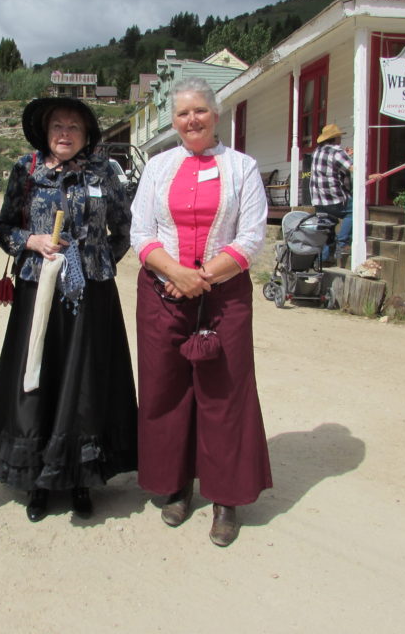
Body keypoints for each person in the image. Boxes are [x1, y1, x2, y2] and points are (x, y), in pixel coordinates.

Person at [0, 97, 137, 522]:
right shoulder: (26, 171)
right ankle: (36, 479)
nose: (65, 133)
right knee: (36, 377)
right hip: (36, 289)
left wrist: (93, 259)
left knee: (83, 382)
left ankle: (80, 476)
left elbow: (124, 227)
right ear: (45, 132)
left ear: (87, 134)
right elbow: (4, 228)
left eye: (74, 127)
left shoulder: (104, 172)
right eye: (57, 126)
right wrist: (33, 242)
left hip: (92, 292)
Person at [131, 77, 272, 548]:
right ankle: (176, 485)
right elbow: (140, 232)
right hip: (162, 289)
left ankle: (225, 499)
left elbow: (251, 237)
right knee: (165, 388)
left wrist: (202, 277)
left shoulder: (243, 168)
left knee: (224, 394)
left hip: (223, 292)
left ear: (216, 115)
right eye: (182, 114)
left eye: (199, 111)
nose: (191, 120)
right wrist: (175, 272)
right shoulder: (157, 167)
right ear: (173, 121)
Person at [309, 123, 353, 261]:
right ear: (335, 138)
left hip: (318, 199)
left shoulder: (317, 152)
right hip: (334, 198)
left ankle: (322, 259)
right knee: (354, 211)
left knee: (325, 223)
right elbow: (352, 169)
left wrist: (347, 155)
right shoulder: (337, 152)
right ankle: (343, 242)